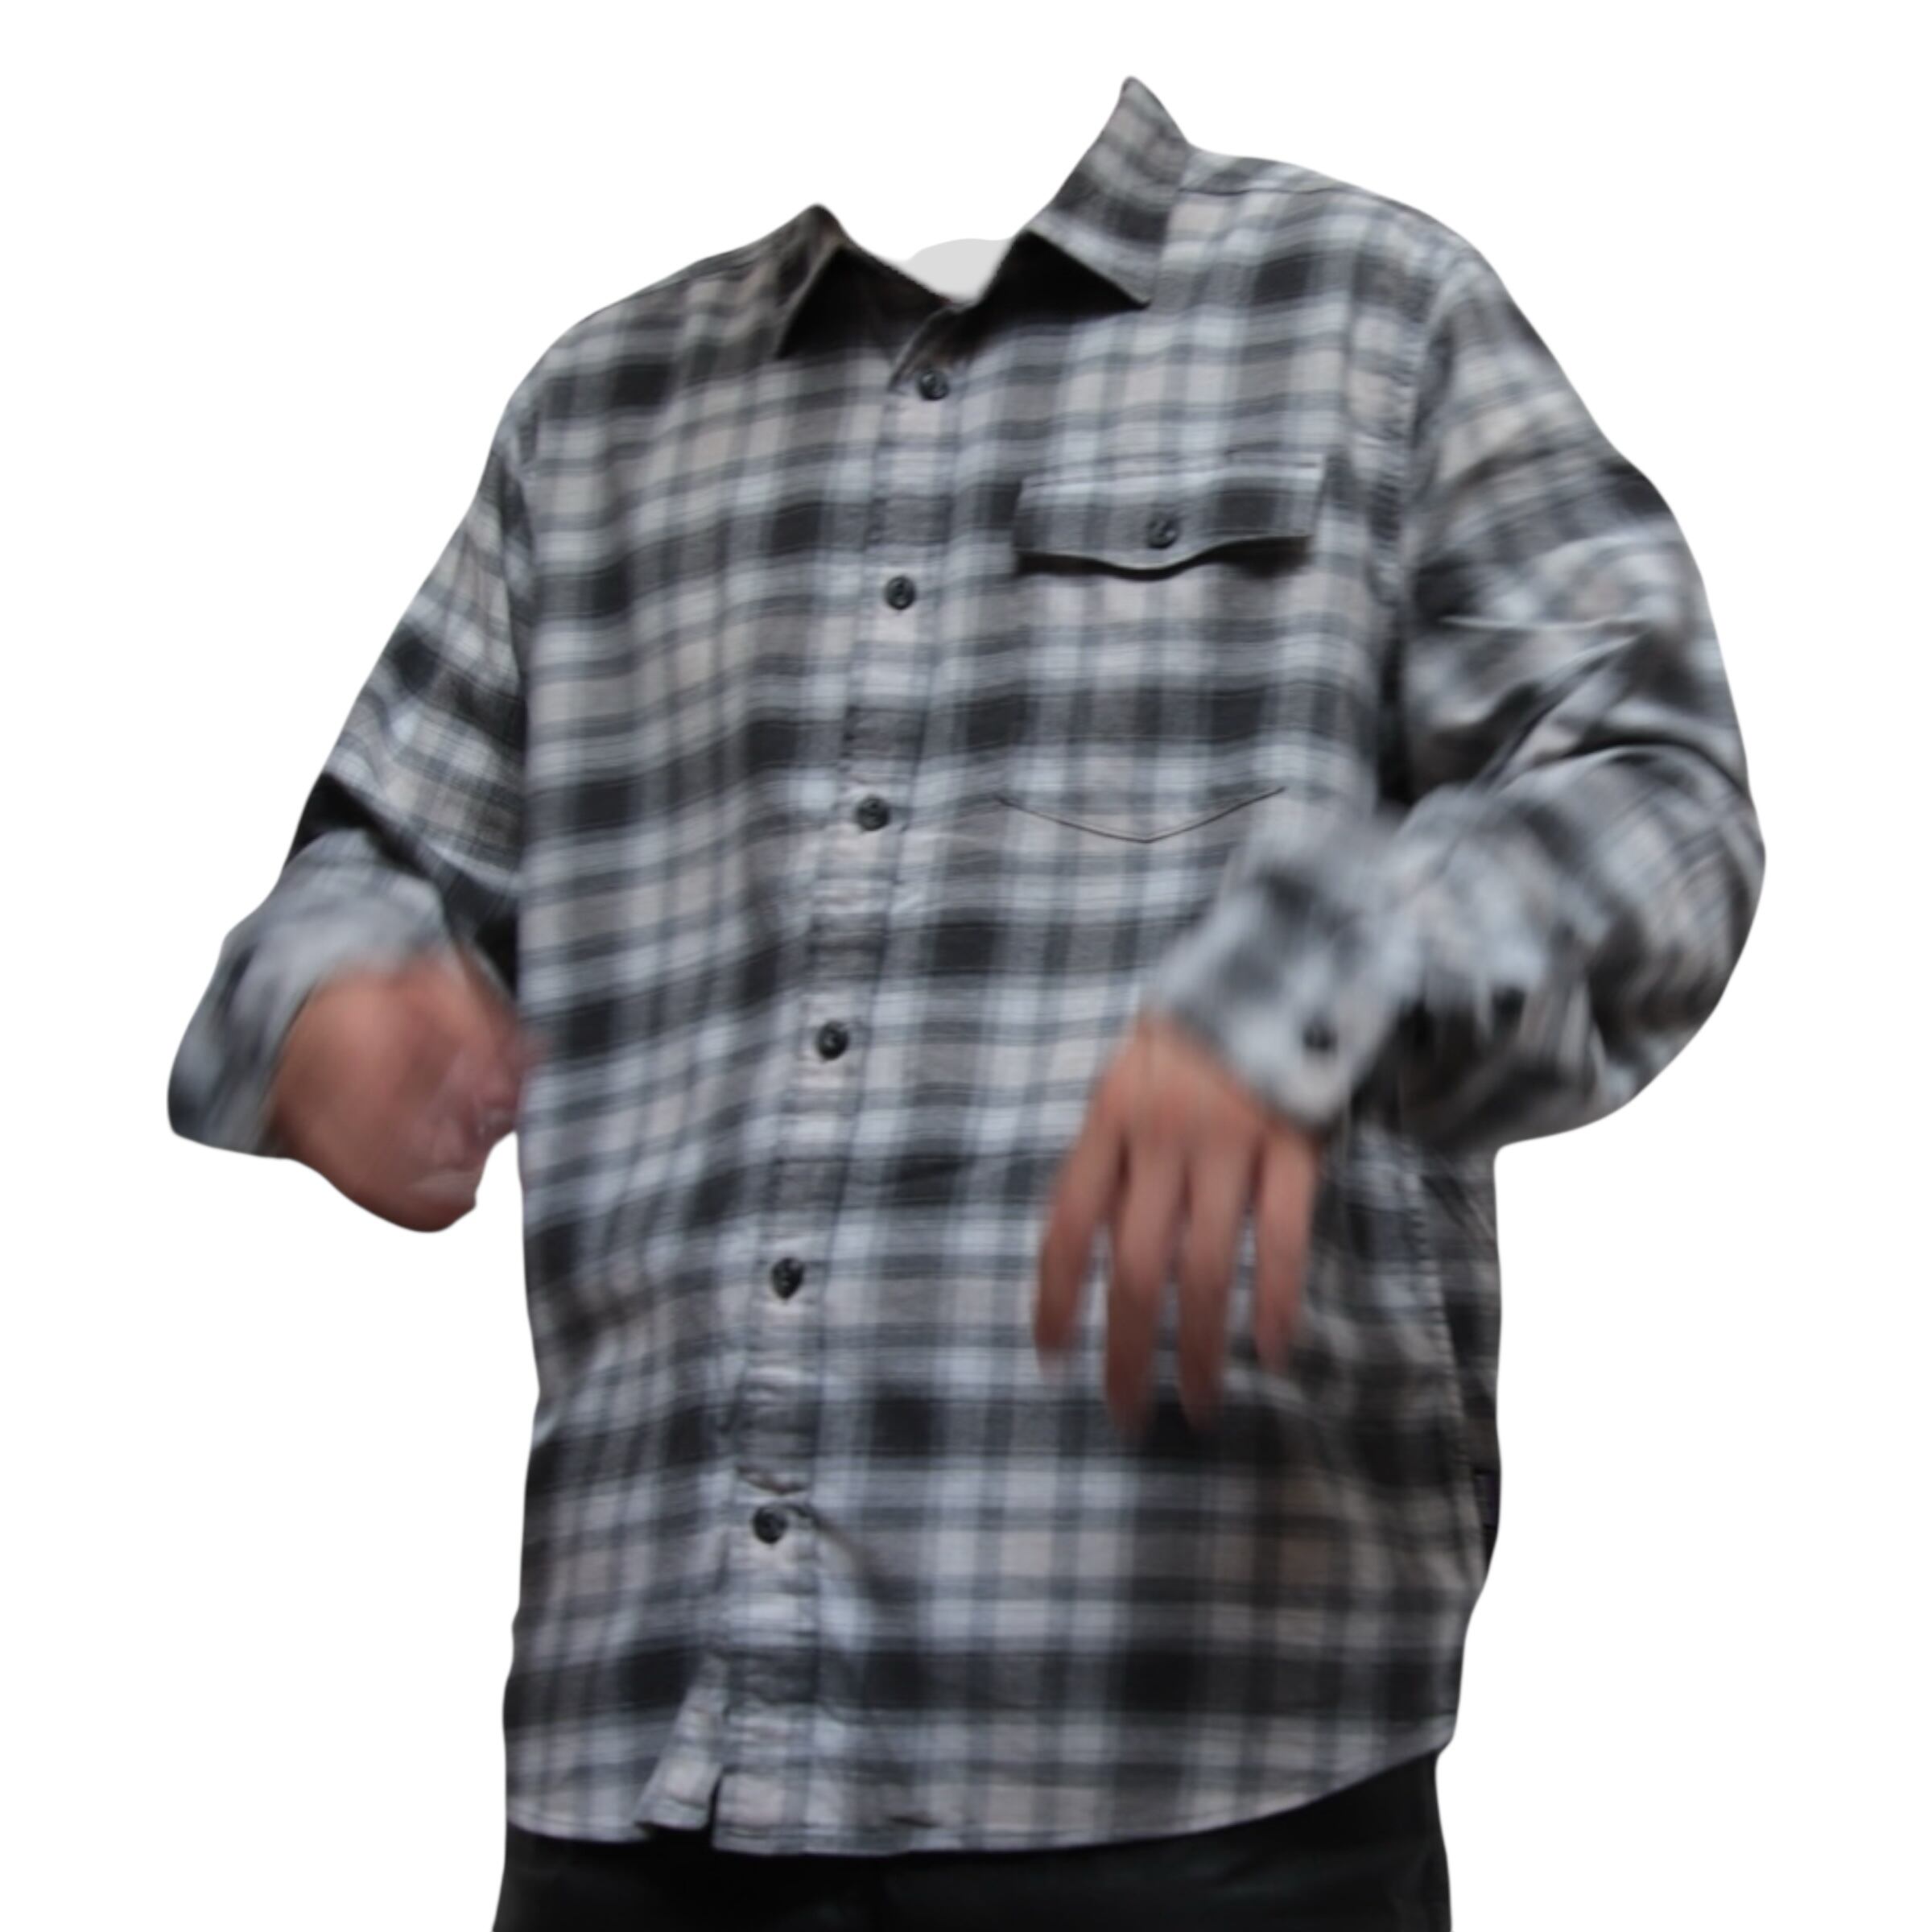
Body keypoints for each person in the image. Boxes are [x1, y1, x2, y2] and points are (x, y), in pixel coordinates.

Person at [167, 75, 1763, 1930]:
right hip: (645, 1778)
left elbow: (1654, 802)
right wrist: (328, 1000)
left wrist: (1333, 966)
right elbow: (374, 864)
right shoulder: (594, 413)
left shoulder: (1372, 313)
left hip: (1200, 1792)